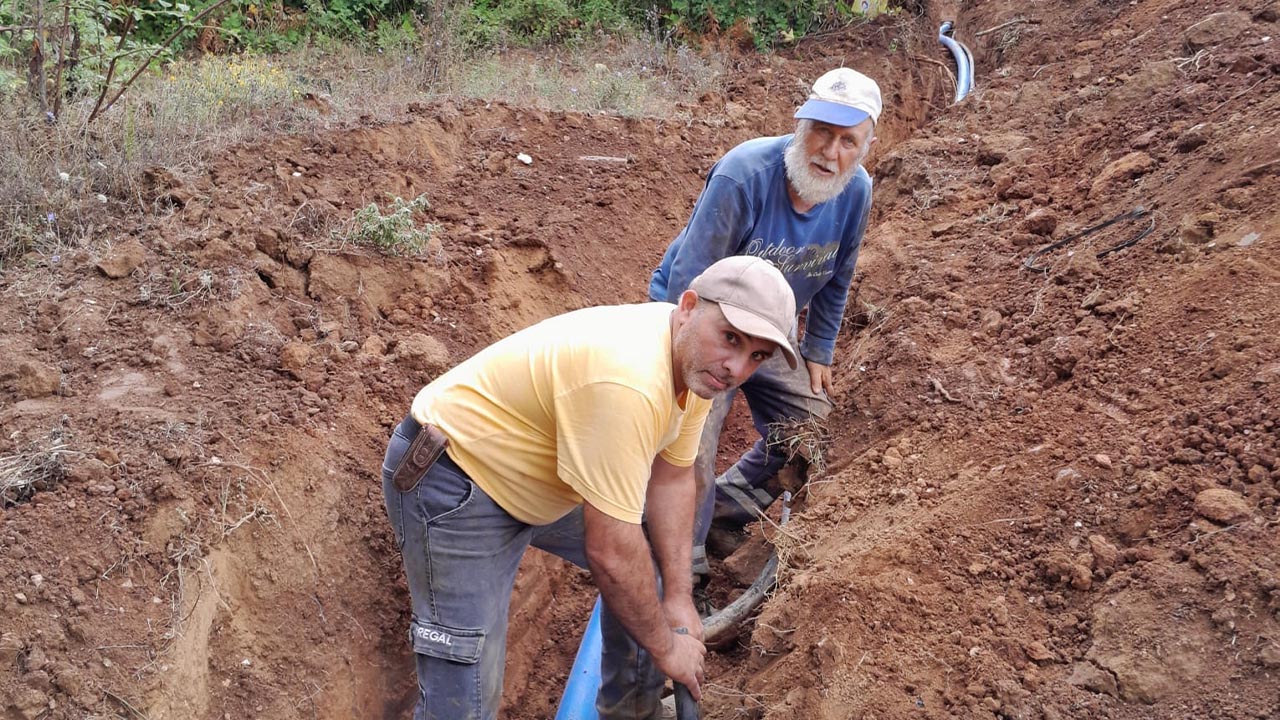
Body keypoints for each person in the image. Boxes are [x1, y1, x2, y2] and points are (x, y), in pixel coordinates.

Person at [381, 256, 798, 719]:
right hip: (457, 479)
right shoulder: (631, 382)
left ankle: (629, 713)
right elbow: (611, 552)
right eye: (731, 338)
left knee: (656, 573)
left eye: (756, 356)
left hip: (537, 476)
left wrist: (678, 597)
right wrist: (667, 649)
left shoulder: (697, 367)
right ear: (688, 305)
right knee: (466, 690)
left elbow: (673, 477)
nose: (736, 368)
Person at [648, 67, 882, 583]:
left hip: (772, 332)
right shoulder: (744, 175)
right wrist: (679, 361)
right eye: (821, 131)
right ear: (800, 125)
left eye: (848, 140)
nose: (829, 151)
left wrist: (819, 347)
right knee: (689, 454)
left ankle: (726, 512)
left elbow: (840, 272)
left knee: (812, 427)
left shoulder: (856, 191)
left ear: (865, 147)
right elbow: (689, 278)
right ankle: (682, 575)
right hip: (706, 322)